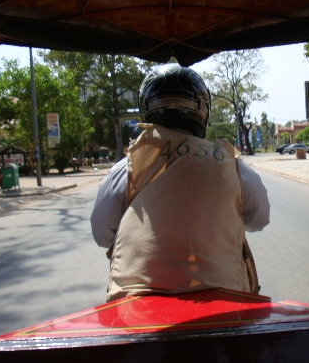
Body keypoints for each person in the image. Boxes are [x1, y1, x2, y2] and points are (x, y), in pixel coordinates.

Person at [91, 64, 270, 302]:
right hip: (225, 304)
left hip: (134, 305)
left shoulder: (127, 168)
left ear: (147, 111)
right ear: (202, 112)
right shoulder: (232, 165)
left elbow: (102, 234)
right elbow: (260, 218)